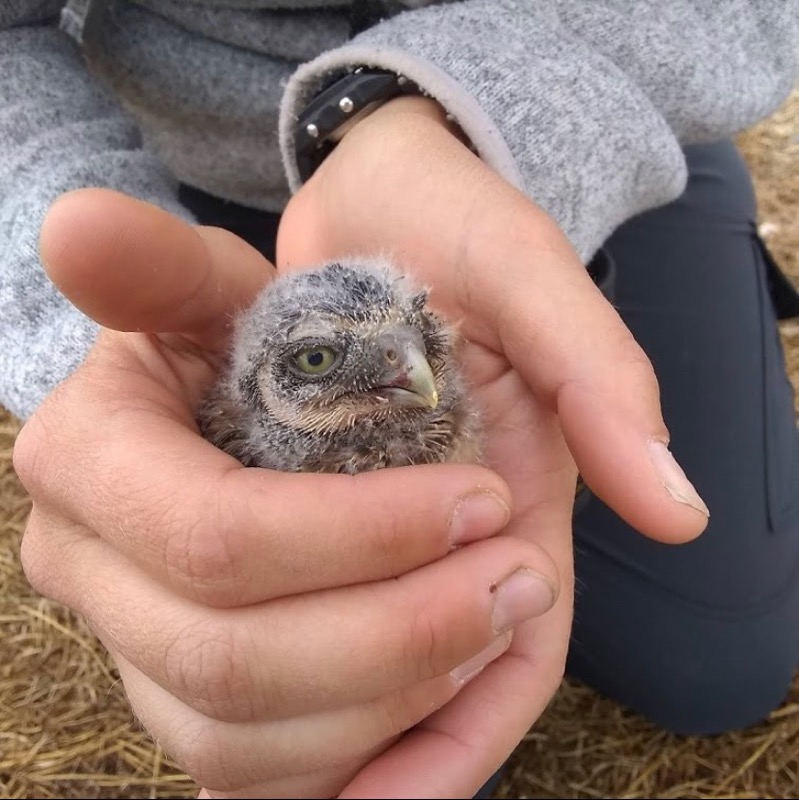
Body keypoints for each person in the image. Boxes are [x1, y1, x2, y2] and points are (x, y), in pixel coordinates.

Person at [2, 1, 797, 797]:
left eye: (416, 335)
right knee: (368, 713)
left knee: (714, 667)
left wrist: (449, 115)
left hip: (579, 122)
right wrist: (99, 347)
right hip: (186, 174)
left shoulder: (428, 367)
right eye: (315, 360)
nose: (410, 369)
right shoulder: (247, 409)